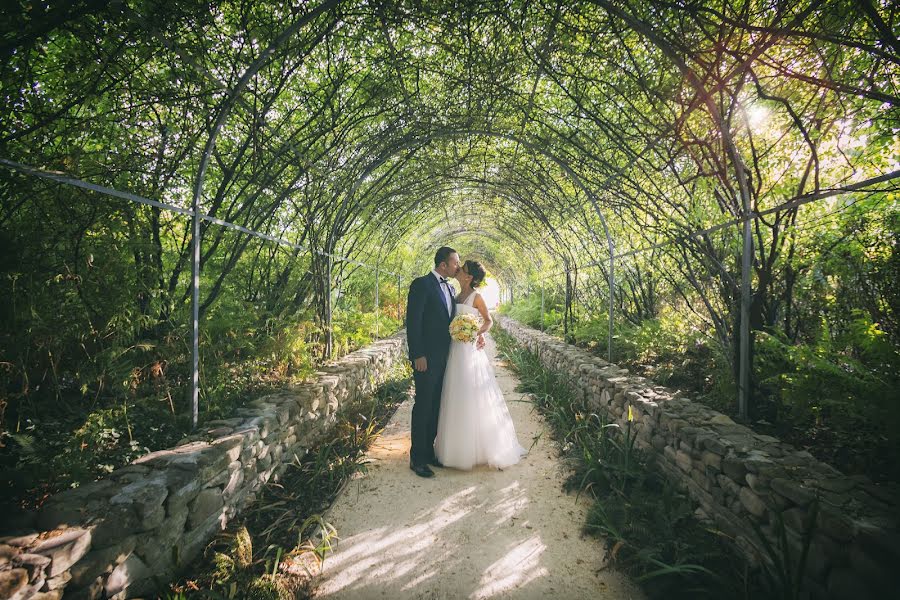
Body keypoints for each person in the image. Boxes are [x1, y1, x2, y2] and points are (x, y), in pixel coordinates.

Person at [434, 260, 527, 470]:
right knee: (454, 394)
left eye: (462, 269)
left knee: (471, 394)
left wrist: (474, 333)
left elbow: (488, 321)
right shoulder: (454, 295)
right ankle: (454, 447)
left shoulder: (477, 297)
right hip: (453, 350)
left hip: (468, 351)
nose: (458, 270)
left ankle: (477, 449)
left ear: (469, 277)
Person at [405, 246, 461, 478]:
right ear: (442, 264)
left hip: (445, 359)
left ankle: (428, 452)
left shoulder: (449, 288)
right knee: (424, 406)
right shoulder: (421, 284)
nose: (458, 266)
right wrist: (418, 354)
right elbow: (413, 322)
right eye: (455, 263)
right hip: (425, 359)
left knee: (437, 406)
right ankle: (417, 458)